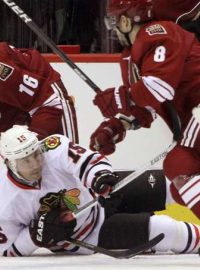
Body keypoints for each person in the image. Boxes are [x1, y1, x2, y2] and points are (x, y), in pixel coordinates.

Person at [0, 125, 199, 257]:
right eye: (26, 160)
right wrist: (34, 237)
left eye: (36, 154)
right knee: (168, 229)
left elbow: (88, 162)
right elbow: (6, 251)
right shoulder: (4, 198)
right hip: (89, 234)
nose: (35, 163)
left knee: (176, 182)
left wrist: (99, 177)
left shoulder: (53, 147)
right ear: (9, 162)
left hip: (101, 196)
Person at [89, 0, 200, 219]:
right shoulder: (129, 58)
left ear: (125, 20)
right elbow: (146, 106)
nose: (114, 29)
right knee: (180, 186)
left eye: (114, 20)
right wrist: (114, 127)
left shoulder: (159, 31)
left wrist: (120, 97)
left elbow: (159, 87)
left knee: (179, 163)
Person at [0, 42, 78, 142]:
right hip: (23, 100)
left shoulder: (4, 71)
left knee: (66, 151)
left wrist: (61, 104)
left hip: (47, 97)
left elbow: (37, 95)